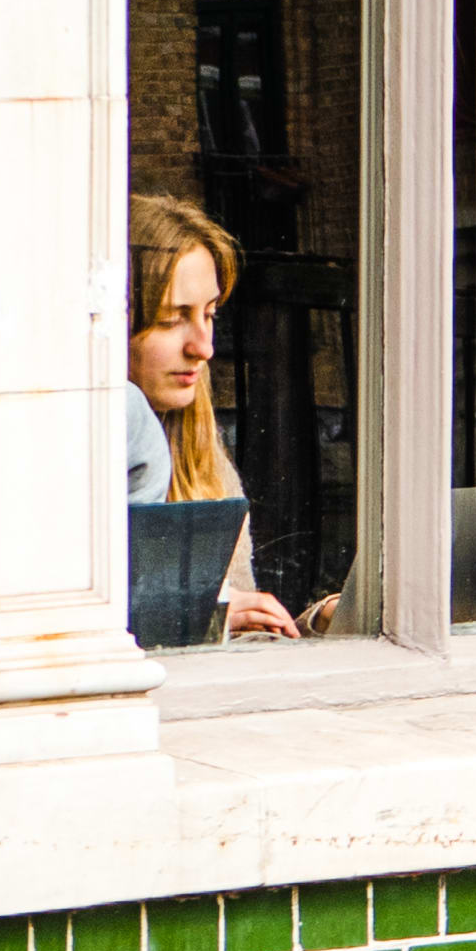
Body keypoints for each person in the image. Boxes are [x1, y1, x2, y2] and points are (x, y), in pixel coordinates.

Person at [126, 192, 311, 639]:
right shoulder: (73, 454)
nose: (203, 348)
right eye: (172, 320)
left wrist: (318, 622)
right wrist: (202, 616)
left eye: (209, 315)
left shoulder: (201, 452)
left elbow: (244, 615)